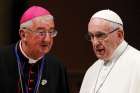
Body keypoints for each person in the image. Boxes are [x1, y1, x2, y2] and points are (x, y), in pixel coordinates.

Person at [0, 5, 69, 93]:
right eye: (41, 32)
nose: (47, 39)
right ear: (23, 34)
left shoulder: (57, 67)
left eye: (51, 32)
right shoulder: (2, 59)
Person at [80, 9, 140, 93]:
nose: (95, 42)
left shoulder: (137, 63)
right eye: (91, 36)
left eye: (100, 35)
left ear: (119, 35)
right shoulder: (92, 70)